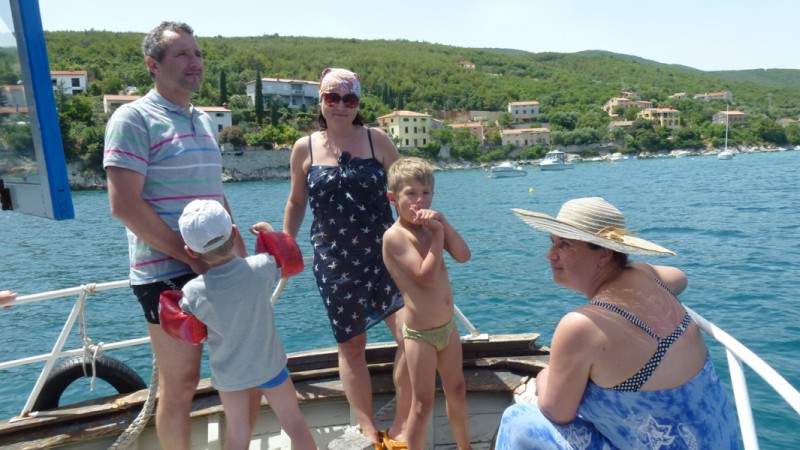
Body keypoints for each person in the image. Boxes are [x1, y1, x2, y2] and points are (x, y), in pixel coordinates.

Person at [103, 21, 258, 449]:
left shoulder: (204, 121)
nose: (195, 62)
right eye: (183, 54)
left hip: (219, 268)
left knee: (244, 370)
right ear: (153, 65)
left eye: (198, 53)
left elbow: (215, 196)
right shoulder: (133, 118)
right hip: (164, 273)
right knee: (182, 383)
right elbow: (124, 205)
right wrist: (189, 256)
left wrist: (240, 258)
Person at [495, 197, 739, 449]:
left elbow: (556, 412)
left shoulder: (582, 326)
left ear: (603, 254)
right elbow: (680, 277)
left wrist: (544, 376)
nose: (550, 254)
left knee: (516, 419)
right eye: (552, 242)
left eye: (565, 244)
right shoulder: (646, 274)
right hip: (720, 441)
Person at [282, 67, 410, 447]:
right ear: (321, 100)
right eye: (332, 97)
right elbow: (296, 201)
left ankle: (401, 423)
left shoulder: (377, 140)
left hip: (385, 256)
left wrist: (421, 233)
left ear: (358, 103)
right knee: (351, 345)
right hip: (334, 262)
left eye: (349, 99)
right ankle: (367, 428)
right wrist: (285, 245)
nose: (340, 105)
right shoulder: (304, 148)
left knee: (412, 336)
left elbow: (405, 191)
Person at [159, 199, 315, 450]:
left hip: (229, 375)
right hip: (270, 366)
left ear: (190, 251)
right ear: (234, 232)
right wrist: (268, 231)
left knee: (237, 434)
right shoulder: (260, 267)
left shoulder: (193, 292)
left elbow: (183, 322)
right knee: (294, 423)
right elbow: (284, 259)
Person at [382, 157, 473, 450]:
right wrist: (437, 236)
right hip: (420, 335)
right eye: (411, 193)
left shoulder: (432, 228)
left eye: (426, 193)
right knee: (422, 404)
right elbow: (427, 277)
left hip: (447, 328)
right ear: (393, 198)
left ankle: (465, 447)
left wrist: (442, 223)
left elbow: (463, 255)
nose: (419, 200)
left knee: (457, 389)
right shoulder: (395, 237)